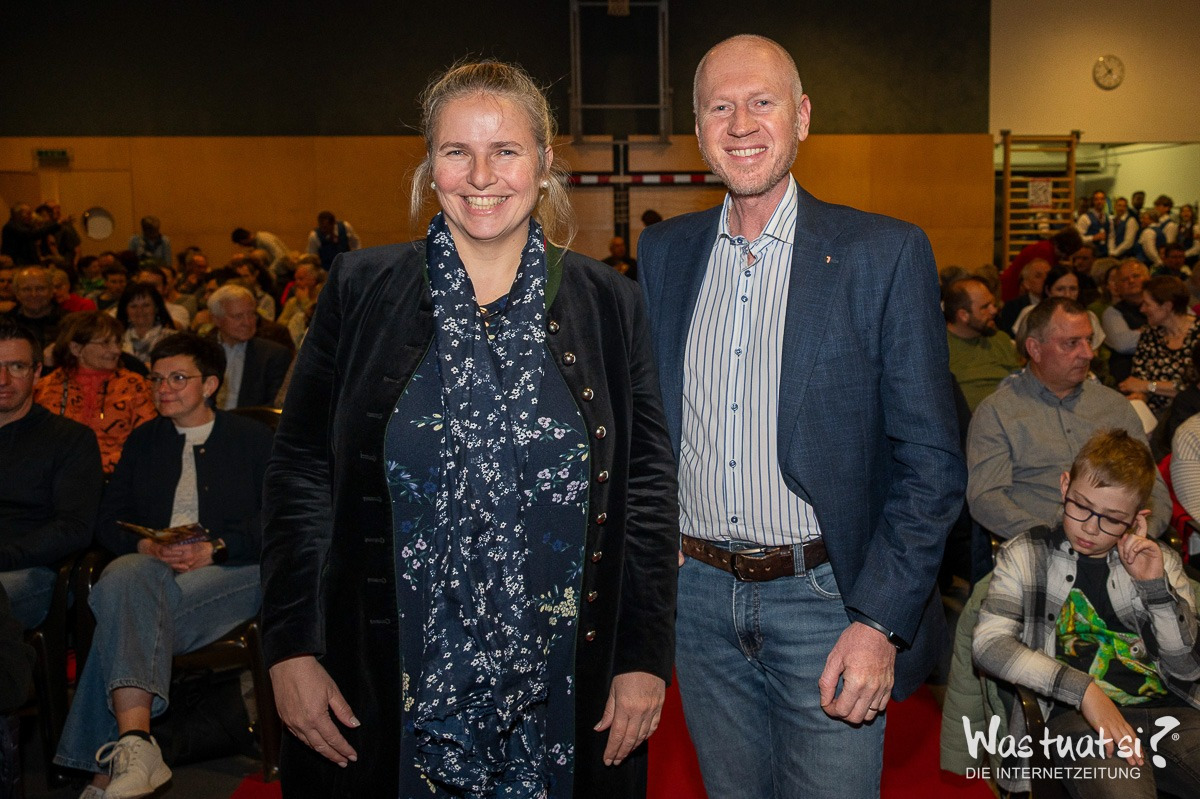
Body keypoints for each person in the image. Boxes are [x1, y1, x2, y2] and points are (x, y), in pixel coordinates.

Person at [260, 60, 678, 799]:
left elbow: (645, 489)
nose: (481, 176)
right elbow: (301, 474)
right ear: (431, 165)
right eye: (457, 152)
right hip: (381, 672)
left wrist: (643, 658)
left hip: (567, 677)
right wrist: (291, 645)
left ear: (544, 163)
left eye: (505, 150)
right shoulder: (359, 289)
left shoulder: (610, 303)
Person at [637, 35, 963, 799]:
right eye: (720, 106)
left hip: (829, 604)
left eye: (762, 102)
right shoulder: (664, 253)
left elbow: (932, 463)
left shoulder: (882, 253)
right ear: (697, 128)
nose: (741, 123)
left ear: (803, 116)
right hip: (699, 603)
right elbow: (648, 426)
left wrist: (878, 620)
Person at [53, 332, 273, 799]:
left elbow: (279, 516)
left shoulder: (253, 438)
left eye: (177, 378)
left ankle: (103, 772)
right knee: (127, 576)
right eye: (155, 379)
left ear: (210, 384)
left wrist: (217, 548)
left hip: (233, 572)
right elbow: (109, 518)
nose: (163, 388)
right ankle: (135, 743)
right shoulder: (144, 440)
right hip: (154, 573)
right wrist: (145, 546)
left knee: (121, 611)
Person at [973, 429, 1200, 799]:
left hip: (1171, 712)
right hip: (1076, 721)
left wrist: (1155, 589)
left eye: (1112, 519)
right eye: (1081, 506)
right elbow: (989, 645)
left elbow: (1187, 669)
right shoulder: (1026, 554)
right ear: (1065, 486)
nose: (1091, 528)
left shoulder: (1160, 562)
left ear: (1136, 519)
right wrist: (1084, 691)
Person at [967, 298, 1171, 543]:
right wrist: (1052, 540)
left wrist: (1136, 538)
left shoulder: (1114, 406)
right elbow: (986, 498)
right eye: (1072, 343)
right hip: (1040, 544)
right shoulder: (998, 412)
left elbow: (1153, 489)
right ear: (1035, 349)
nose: (1088, 353)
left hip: (1121, 548)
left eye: (1089, 340)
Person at [0, 320, 102, 629]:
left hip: (29, 571)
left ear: (36, 373)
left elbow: (74, 527)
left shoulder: (70, 439)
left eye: (17, 367)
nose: (3, 379)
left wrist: (6, 556)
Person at [33, 312, 156, 474]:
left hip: (117, 476)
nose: (116, 350)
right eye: (105, 343)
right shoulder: (45, 388)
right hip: (57, 475)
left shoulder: (135, 385)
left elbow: (149, 439)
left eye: (118, 342)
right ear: (76, 348)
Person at [1118, 275, 1200, 416]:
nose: (1142, 309)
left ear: (1167, 306)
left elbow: (1194, 388)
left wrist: (1149, 386)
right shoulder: (1150, 334)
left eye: (1147, 304)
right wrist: (1140, 395)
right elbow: (1137, 380)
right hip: (1156, 414)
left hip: (1192, 414)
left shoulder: (1198, 335)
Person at [207, 284, 291, 408]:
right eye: (238, 316)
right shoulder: (201, 351)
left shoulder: (274, 355)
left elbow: (275, 406)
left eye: (252, 314)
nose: (247, 322)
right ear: (216, 320)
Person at [944, 277, 1020, 412]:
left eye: (993, 304)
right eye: (985, 307)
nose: (993, 311)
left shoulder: (1000, 339)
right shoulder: (940, 348)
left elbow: (1019, 381)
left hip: (1012, 414)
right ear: (963, 315)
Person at [1012, 265, 1105, 352]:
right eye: (1060, 289)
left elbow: (1093, 354)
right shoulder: (1031, 313)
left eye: (1073, 289)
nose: (1067, 294)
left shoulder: (1089, 317)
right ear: (1048, 291)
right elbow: (1022, 353)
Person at [1102, 259, 1150, 383]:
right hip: (1129, 379)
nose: (1131, 281)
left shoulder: (1166, 303)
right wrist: (1162, 330)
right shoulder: (1112, 313)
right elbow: (1123, 344)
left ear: (1148, 278)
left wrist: (1141, 332)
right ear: (1117, 287)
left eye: (1136, 276)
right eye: (1124, 279)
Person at [4, 266, 63, 351]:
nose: (33, 294)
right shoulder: (5, 324)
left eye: (40, 289)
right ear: (17, 293)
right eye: (26, 289)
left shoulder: (68, 324)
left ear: (51, 291)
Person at [116, 284, 176, 366]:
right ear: (125, 310)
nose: (140, 310)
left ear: (156, 308)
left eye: (146, 305)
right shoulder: (116, 339)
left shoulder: (172, 339)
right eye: (133, 306)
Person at [1074, 189, 1109, 257]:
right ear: (1093, 201)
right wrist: (1093, 238)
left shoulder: (1108, 219)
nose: (1099, 202)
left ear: (1105, 201)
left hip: (1104, 254)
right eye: (1097, 199)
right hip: (1090, 255)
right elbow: (1079, 239)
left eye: (1102, 199)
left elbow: (1111, 237)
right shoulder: (1084, 218)